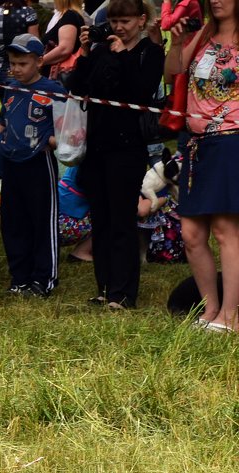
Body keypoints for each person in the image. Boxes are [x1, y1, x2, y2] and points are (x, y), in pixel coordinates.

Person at [67, 0, 162, 309]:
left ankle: (124, 293)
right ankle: (104, 287)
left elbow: (140, 92)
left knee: (122, 220)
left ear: (141, 20)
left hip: (127, 147)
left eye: (126, 20)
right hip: (96, 145)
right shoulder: (100, 50)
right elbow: (78, 88)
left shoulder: (149, 52)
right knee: (102, 219)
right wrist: (82, 53)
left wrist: (123, 56)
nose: (119, 26)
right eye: (115, 20)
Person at [166, 0, 239, 331]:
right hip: (195, 144)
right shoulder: (203, 34)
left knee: (226, 231)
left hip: (230, 141)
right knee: (192, 233)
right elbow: (171, 71)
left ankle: (231, 315)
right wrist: (178, 43)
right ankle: (211, 310)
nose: (217, 0)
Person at [0, 34, 63, 296]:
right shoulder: (10, 87)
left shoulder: (53, 90)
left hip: (38, 163)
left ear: (39, 61)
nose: (16, 69)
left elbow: (68, 130)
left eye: (23, 63)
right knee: (13, 221)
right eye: (13, 63)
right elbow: (5, 117)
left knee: (41, 220)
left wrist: (51, 141)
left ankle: (43, 279)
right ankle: (19, 278)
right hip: (12, 161)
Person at [0, 0, 39, 96]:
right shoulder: (28, 12)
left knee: (6, 106)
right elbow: (34, 44)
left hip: (0, 70)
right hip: (23, 70)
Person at [41, 0, 87, 84]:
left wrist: (37, 62)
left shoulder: (69, 16)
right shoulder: (66, 15)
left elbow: (64, 49)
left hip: (58, 79)